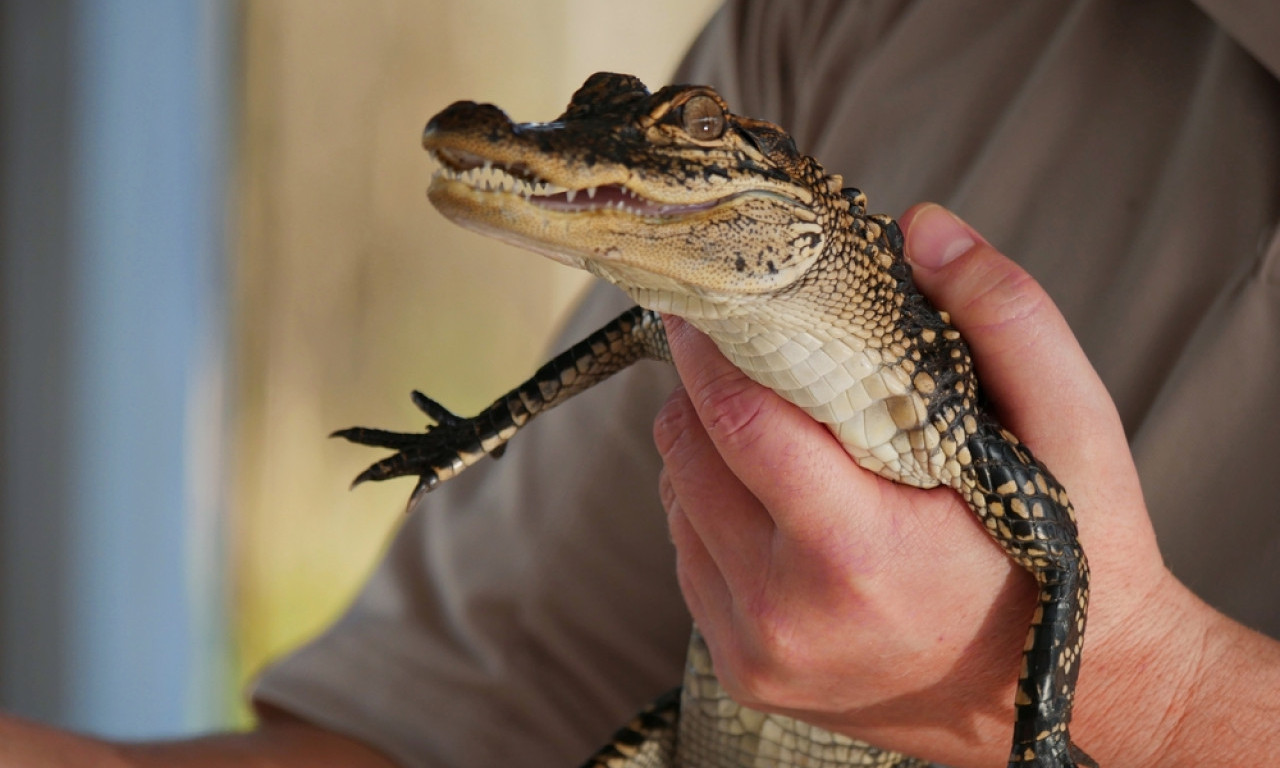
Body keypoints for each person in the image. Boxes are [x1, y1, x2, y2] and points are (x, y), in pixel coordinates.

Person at [3, 1, 1279, 766]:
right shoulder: (858, 23)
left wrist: (1149, 696)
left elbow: (1051, 564)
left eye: (691, 136)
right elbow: (474, 728)